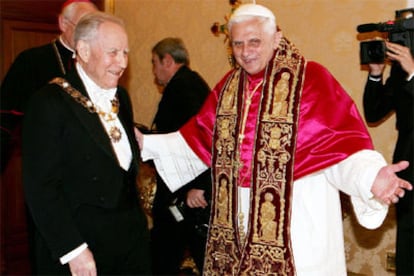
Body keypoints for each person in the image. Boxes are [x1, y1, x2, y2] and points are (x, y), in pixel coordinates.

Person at [136, 4, 413, 275]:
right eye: (238, 44)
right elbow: (198, 140)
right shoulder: (229, 87)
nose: (245, 52)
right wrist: (145, 143)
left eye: (254, 41)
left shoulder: (311, 79)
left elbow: (343, 146)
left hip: (299, 221)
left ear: (276, 38)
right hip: (238, 228)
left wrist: (371, 177)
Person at [22, 11, 150, 275]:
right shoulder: (48, 102)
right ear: (83, 50)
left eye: (125, 52)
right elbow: (41, 188)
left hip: (130, 243)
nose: (122, 62)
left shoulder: (121, 97)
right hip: (83, 246)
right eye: (113, 52)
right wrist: (74, 250)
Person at [0, 0, 97, 172]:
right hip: (48, 166)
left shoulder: (99, 63)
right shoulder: (31, 61)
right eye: (83, 25)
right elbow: (6, 120)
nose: (88, 34)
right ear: (63, 23)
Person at [149, 37, 212, 274]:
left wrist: (198, 186)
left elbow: (205, 136)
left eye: (154, 62)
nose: (154, 70)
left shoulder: (185, 87)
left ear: (167, 60)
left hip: (187, 194)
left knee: (169, 255)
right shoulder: (186, 83)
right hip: (181, 190)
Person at [363, 35, 414, 275]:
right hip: (408, 167)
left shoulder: (409, 66)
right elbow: (374, 113)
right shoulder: (400, 68)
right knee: (408, 241)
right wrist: (375, 73)